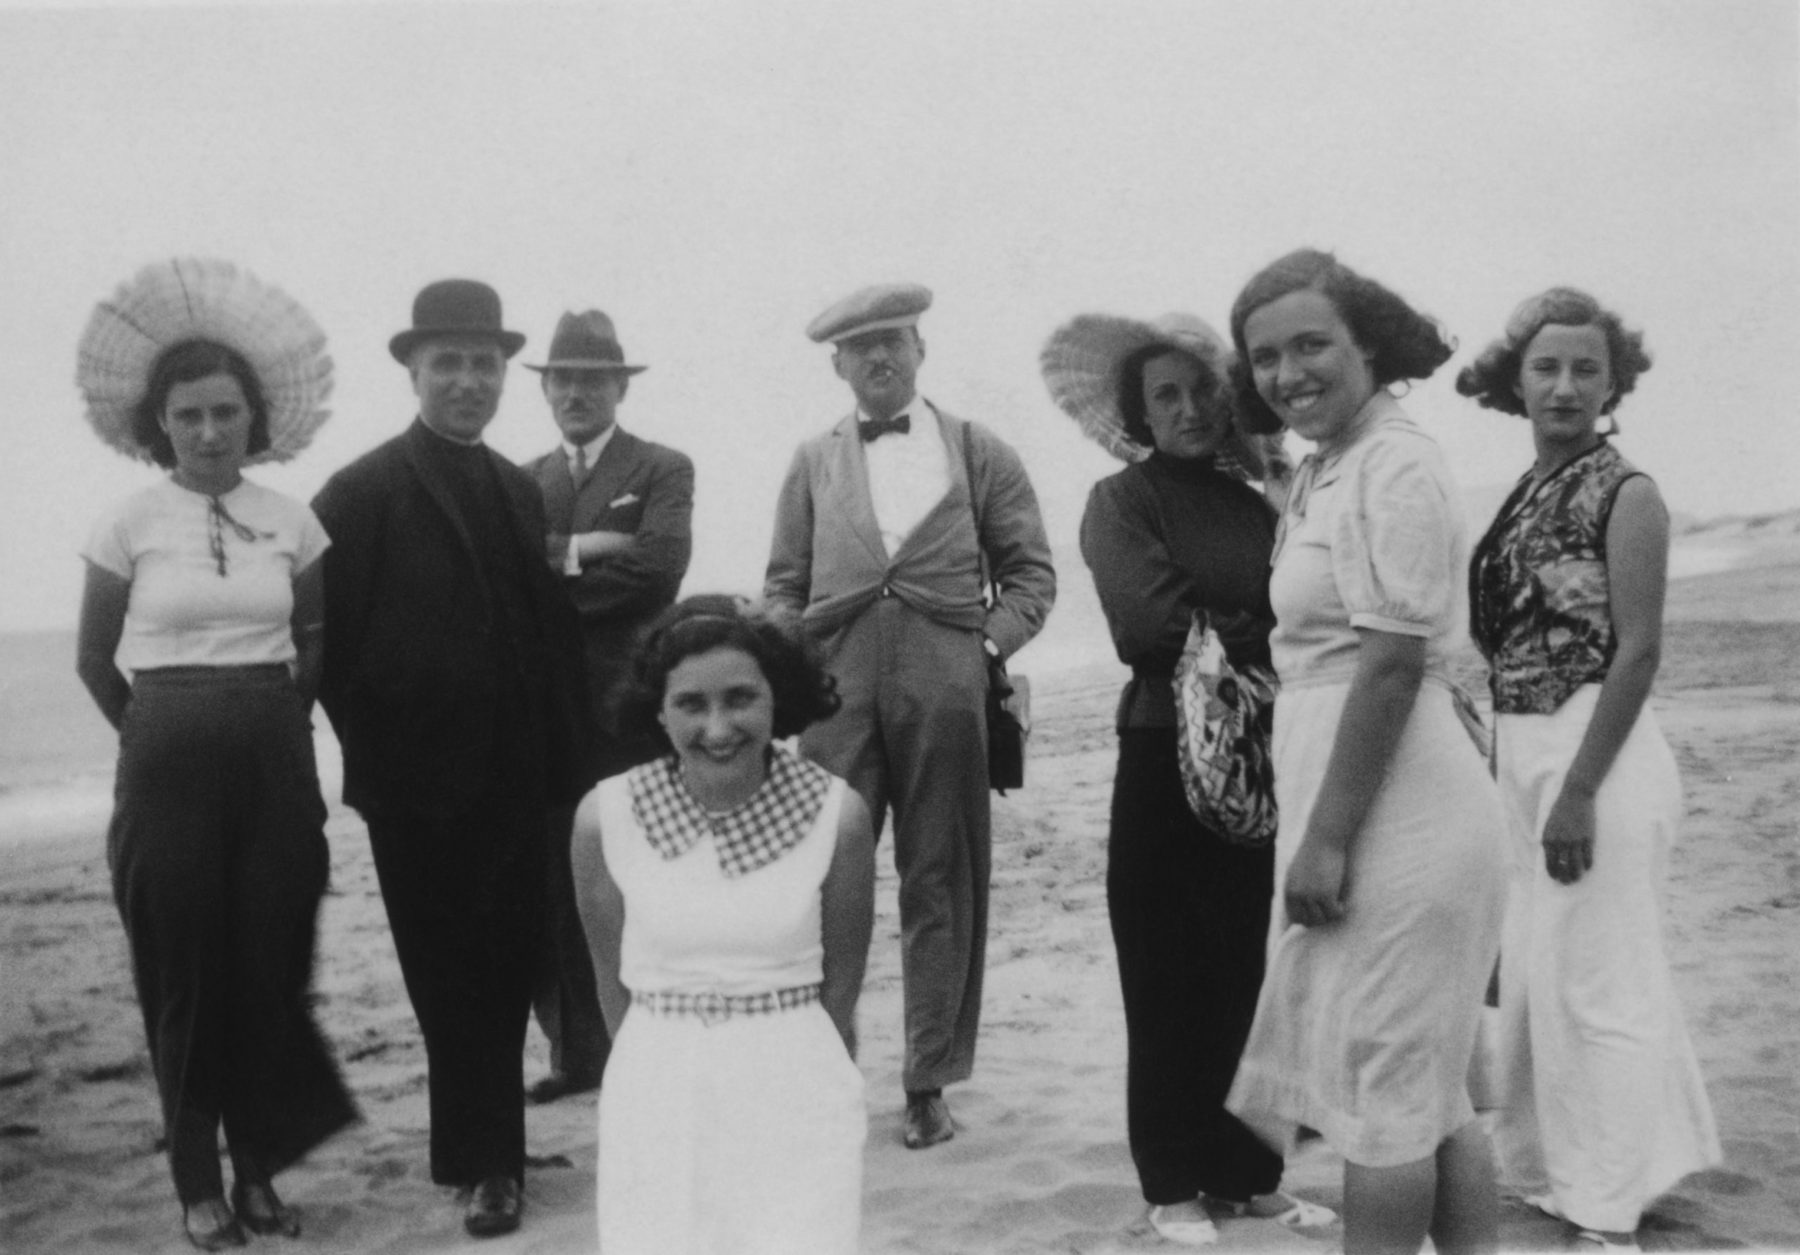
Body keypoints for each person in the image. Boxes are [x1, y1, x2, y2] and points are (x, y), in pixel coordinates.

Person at [1221, 249, 1506, 1255]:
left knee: (1390, 1096)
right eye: (1264, 356)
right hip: (1359, 790)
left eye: (1311, 344)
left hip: (1401, 808)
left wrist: (1328, 838)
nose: (1288, 372)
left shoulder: (1395, 459)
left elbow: (1390, 667)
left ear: (1368, 344)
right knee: (1428, 1088)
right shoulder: (1331, 464)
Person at [73, 258, 357, 1251]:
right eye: (188, 414)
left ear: (253, 415)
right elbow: (94, 661)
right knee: (184, 973)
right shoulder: (127, 520)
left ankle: (260, 1174)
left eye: (225, 411)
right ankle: (199, 1184)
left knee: (268, 969)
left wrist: (274, 723)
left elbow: (314, 642)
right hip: (165, 770)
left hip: (276, 765)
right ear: (161, 422)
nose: (208, 430)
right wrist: (162, 740)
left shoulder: (293, 518)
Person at [1042, 310, 1333, 1246]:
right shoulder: (1119, 500)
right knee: (1165, 979)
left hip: (1269, 758)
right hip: (1164, 755)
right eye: (1164, 395)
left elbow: (1314, 605)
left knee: (1249, 974)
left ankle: (1249, 1176)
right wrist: (1265, 623)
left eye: (1203, 388)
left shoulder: (1261, 496)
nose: (1189, 408)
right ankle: (1170, 1181)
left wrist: (1252, 617)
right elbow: (1150, 627)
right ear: (1139, 414)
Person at [310, 279, 591, 1239]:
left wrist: (564, 767)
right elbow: (328, 657)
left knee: (511, 965)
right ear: (414, 371)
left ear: (504, 373)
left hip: (517, 779)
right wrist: (386, 763)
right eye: (449, 364)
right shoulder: (357, 491)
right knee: (443, 976)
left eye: (484, 364)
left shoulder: (520, 486)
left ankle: (485, 1152)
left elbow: (545, 636)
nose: (469, 381)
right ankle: (485, 1161)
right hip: (415, 789)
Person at [763, 282, 1056, 1147]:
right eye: (861, 348)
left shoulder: (979, 450)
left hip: (948, 691)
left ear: (920, 347)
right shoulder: (811, 461)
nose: (879, 358)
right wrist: (792, 652)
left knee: (943, 878)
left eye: (892, 340)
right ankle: (820, 1069)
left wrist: (984, 651)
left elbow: (1033, 575)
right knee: (823, 880)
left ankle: (929, 1080)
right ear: (838, 364)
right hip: (834, 692)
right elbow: (782, 581)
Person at [1460, 288, 1720, 1250]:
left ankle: (1609, 1204)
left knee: (1601, 981)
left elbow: (1638, 652)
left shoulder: (1628, 491)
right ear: (1516, 381)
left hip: (1594, 753)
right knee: (1539, 974)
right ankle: (1556, 1170)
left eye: (1585, 369)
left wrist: (1575, 790)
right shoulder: (1527, 489)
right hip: (1523, 748)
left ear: (1614, 383)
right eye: (1545, 367)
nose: (1564, 386)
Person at [572, 594, 874, 1255]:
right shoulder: (605, 817)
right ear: (658, 708)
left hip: (793, 1080)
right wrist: (664, 1070)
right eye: (690, 704)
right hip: (657, 1085)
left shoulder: (838, 816)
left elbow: (842, 989)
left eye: (740, 698)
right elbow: (609, 985)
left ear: (778, 697)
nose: (717, 726)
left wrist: (795, 1075)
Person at [520, 309, 694, 1104]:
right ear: (547, 390)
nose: (577, 392)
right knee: (560, 885)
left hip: (632, 713)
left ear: (620, 386)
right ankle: (576, 1052)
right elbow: (508, 588)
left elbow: (656, 572)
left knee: (649, 875)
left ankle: (660, 1038)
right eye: (563, 379)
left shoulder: (662, 466)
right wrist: (592, 550)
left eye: (593, 379)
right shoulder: (520, 482)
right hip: (548, 718)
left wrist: (552, 570)